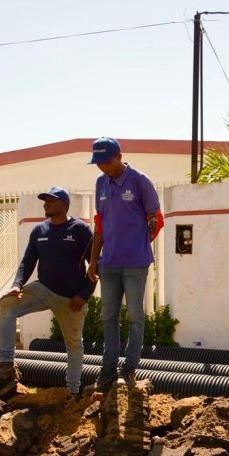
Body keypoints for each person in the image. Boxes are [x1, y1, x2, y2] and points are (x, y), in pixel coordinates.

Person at [0, 186, 95, 399]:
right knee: (7, 304)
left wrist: (83, 295)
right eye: (45, 201)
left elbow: (95, 266)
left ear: (64, 205)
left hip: (71, 298)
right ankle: (7, 362)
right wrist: (17, 285)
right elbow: (27, 262)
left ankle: (73, 390)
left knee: (74, 344)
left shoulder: (80, 230)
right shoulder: (39, 231)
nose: (46, 204)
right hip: (43, 289)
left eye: (51, 201)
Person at [87, 137, 161, 391]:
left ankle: (129, 369)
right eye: (98, 163)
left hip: (135, 264)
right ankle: (107, 371)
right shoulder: (101, 184)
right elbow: (100, 224)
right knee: (108, 317)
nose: (102, 167)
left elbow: (155, 219)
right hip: (109, 264)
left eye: (106, 161)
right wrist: (94, 258)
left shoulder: (140, 181)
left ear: (119, 156)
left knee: (135, 317)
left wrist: (139, 243)